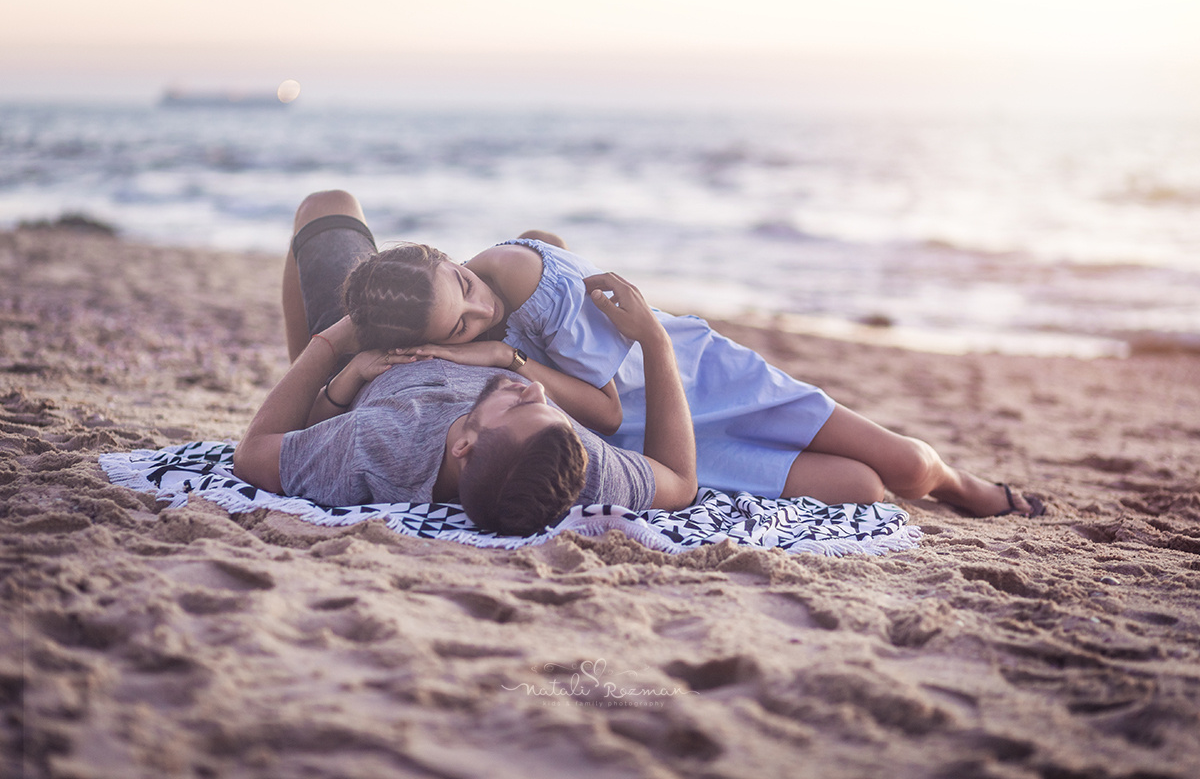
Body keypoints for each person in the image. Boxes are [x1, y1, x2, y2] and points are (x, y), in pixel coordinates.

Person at [336, 190, 1044, 519]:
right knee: (862, 487)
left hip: (696, 379)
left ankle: (964, 487)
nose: (479, 313)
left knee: (908, 468)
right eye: (459, 326)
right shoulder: (458, 322)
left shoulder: (512, 278)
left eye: (464, 288)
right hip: (652, 441)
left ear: (444, 255)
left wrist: (500, 357)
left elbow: (605, 408)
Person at [231, 191, 698, 536]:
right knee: (541, 245)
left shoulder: (379, 444)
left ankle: (307, 370)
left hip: (363, 360)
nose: (536, 392)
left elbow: (252, 454)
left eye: (518, 406)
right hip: (472, 337)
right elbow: (680, 481)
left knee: (326, 205)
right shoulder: (573, 465)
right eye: (551, 411)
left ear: (464, 447)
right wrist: (656, 343)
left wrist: (334, 344)